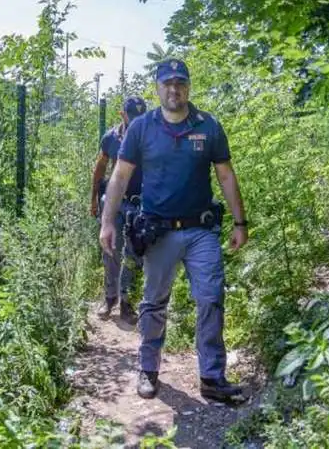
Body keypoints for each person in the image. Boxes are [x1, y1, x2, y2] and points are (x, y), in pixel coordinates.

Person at [99, 59, 249, 404]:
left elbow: (225, 175)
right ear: (157, 87)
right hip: (159, 232)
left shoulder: (208, 126)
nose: (174, 89)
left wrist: (240, 223)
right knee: (154, 304)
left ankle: (212, 377)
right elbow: (119, 176)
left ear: (188, 87)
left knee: (211, 298)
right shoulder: (142, 128)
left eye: (180, 82)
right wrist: (108, 222)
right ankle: (148, 370)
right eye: (167, 83)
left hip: (201, 231)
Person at [90, 96, 147, 326]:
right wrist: (93, 200)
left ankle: (127, 303)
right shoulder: (111, 138)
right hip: (114, 202)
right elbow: (100, 168)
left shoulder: (149, 137)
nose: (136, 122)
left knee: (135, 254)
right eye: (132, 117)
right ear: (122, 114)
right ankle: (109, 298)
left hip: (139, 204)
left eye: (140, 118)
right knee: (110, 250)